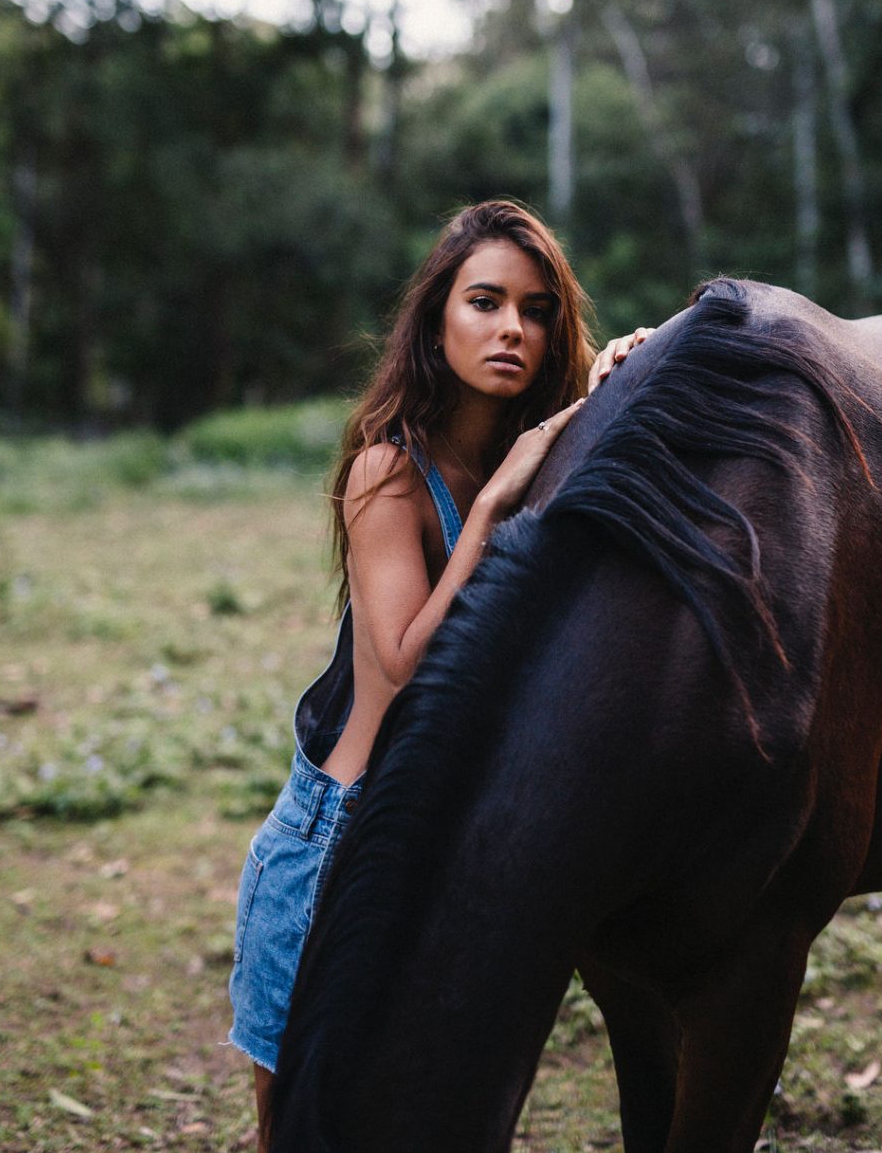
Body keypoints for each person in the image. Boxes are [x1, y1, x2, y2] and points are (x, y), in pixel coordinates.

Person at [227, 200, 653, 1150]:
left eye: (537, 310)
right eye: (486, 301)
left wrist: (626, 368)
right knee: (303, 1129)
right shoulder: (390, 472)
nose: (512, 328)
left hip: (451, 840)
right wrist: (502, 499)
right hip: (337, 841)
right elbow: (408, 660)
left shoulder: (532, 452)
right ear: (436, 319)